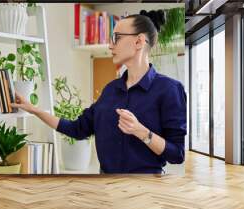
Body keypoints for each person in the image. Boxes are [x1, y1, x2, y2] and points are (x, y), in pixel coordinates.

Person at [11, 10, 187, 174]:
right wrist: (33, 109)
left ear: (139, 41)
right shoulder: (110, 90)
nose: (110, 45)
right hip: (105, 189)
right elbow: (77, 129)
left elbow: (177, 154)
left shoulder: (170, 90)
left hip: (145, 192)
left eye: (116, 38)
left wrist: (141, 131)